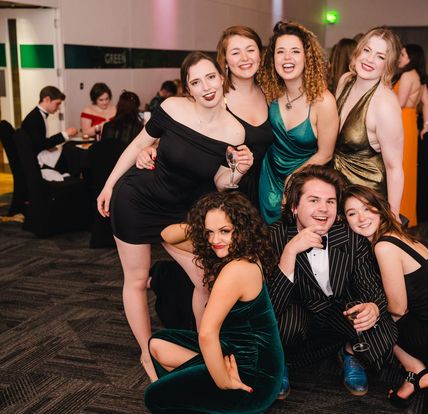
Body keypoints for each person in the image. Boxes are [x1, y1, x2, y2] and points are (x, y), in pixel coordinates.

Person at [96, 51, 255, 381]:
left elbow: (220, 182)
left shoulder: (235, 131)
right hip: (137, 200)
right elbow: (136, 145)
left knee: (204, 280)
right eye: (196, 82)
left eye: (210, 77)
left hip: (183, 212)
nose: (206, 87)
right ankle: (147, 355)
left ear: (221, 78)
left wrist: (239, 171)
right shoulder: (171, 108)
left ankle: (204, 347)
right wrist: (109, 185)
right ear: (188, 89)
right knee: (136, 279)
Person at [144, 191, 283, 413]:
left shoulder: (238, 269)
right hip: (233, 349)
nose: (215, 240)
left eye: (225, 231)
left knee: (155, 397)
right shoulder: (233, 250)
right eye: (209, 232)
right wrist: (206, 225)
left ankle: (222, 395)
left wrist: (223, 381)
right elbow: (167, 234)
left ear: (242, 230)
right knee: (158, 345)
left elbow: (207, 334)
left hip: (253, 374)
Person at [267, 165, 397, 399]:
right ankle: (281, 360)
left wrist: (373, 307)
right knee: (282, 327)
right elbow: (269, 306)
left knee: (383, 326)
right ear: (294, 206)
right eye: (314, 200)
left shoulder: (350, 237)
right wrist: (290, 252)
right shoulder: (273, 237)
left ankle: (349, 353)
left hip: (339, 311)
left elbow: (371, 287)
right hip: (298, 312)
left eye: (330, 201)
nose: (323, 209)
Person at [342, 184, 428, 408]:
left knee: (370, 317)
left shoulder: (384, 247)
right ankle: (414, 378)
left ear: (379, 208)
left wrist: (371, 308)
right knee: (376, 310)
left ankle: (415, 368)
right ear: (345, 219)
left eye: (367, 208)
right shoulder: (395, 232)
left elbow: (398, 308)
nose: (361, 218)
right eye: (352, 213)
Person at [139, 26, 273, 208]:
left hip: (263, 191)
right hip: (221, 195)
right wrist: (150, 148)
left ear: (260, 54)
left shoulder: (270, 94)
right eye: (235, 52)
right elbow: (181, 136)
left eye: (250, 50)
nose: (245, 58)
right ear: (225, 60)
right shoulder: (212, 96)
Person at [257, 21, 339, 224]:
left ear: (306, 57)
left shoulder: (323, 102)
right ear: (273, 58)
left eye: (295, 51)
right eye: (280, 52)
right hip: (268, 178)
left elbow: (326, 154)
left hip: (303, 183)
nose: (287, 58)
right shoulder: (269, 93)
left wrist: (293, 178)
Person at [333, 26, 404, 221]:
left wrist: (393, 218)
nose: (370, 59)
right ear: (358, 52)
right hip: (338, 191)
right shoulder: (345, 81)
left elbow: (394, 167)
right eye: (367, 50)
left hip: (367, 201)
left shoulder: (385, 104)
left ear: (387, 66)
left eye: (380, 56)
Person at [394, 43, 428, 227]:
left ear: (411, 57)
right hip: (411, 122)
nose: (399, 57)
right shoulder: (419, 77)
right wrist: (426, 126)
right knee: (407, 167)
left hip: (401, 120)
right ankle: (407, 212)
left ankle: (399, 212)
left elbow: (399, 103)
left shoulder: (407, 75)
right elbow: (427, 104)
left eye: (402, 54)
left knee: (399, 166)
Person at [21, 86, 78, 176]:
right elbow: (41, 144)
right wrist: (65, 134)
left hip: (38, 153)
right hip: (36, 160)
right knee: (71, 152)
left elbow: (39, 141)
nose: (58, 108)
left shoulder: (37, 115)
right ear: (47, 99)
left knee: (70, 150)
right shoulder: (34, 119)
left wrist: (51, 146)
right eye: (57, 104)